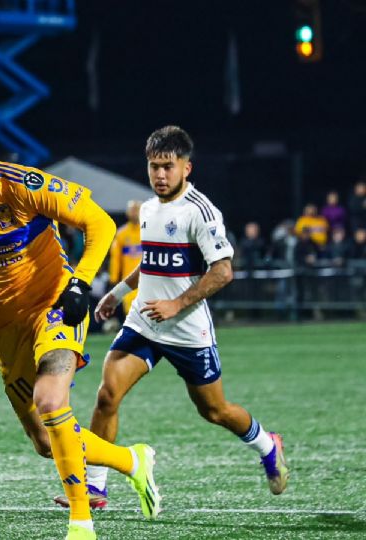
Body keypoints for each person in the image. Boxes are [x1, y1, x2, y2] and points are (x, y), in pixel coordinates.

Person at [0, 119, 159, 540]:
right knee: (46, 441)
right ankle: (133, 461)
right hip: (4, 327)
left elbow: (100, 224)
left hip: (53, 306)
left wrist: (80, 282)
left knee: (49, 398)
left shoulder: (21, 184)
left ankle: (81, 522)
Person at [85, 126, 289, 511]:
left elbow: (223, 271)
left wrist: (177, 304)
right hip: (144, 323)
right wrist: (116, 294)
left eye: (167, 167)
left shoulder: (201, 211)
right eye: (153, 167)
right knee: (107, 394)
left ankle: (267, 443)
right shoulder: (147, 209)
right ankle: (96, 489)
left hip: (187, 329)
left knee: (214, 411)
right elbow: (150, 262)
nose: (160, 175)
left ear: (186, 167)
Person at [108, 200, 143, 316]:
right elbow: (115, 258)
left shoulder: (149, 231)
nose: (134, 213)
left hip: (148, 279)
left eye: (137, 209)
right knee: (131, 313)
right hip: (129, 281)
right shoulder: (121, 234)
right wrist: (113, 278)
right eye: (132, 210)